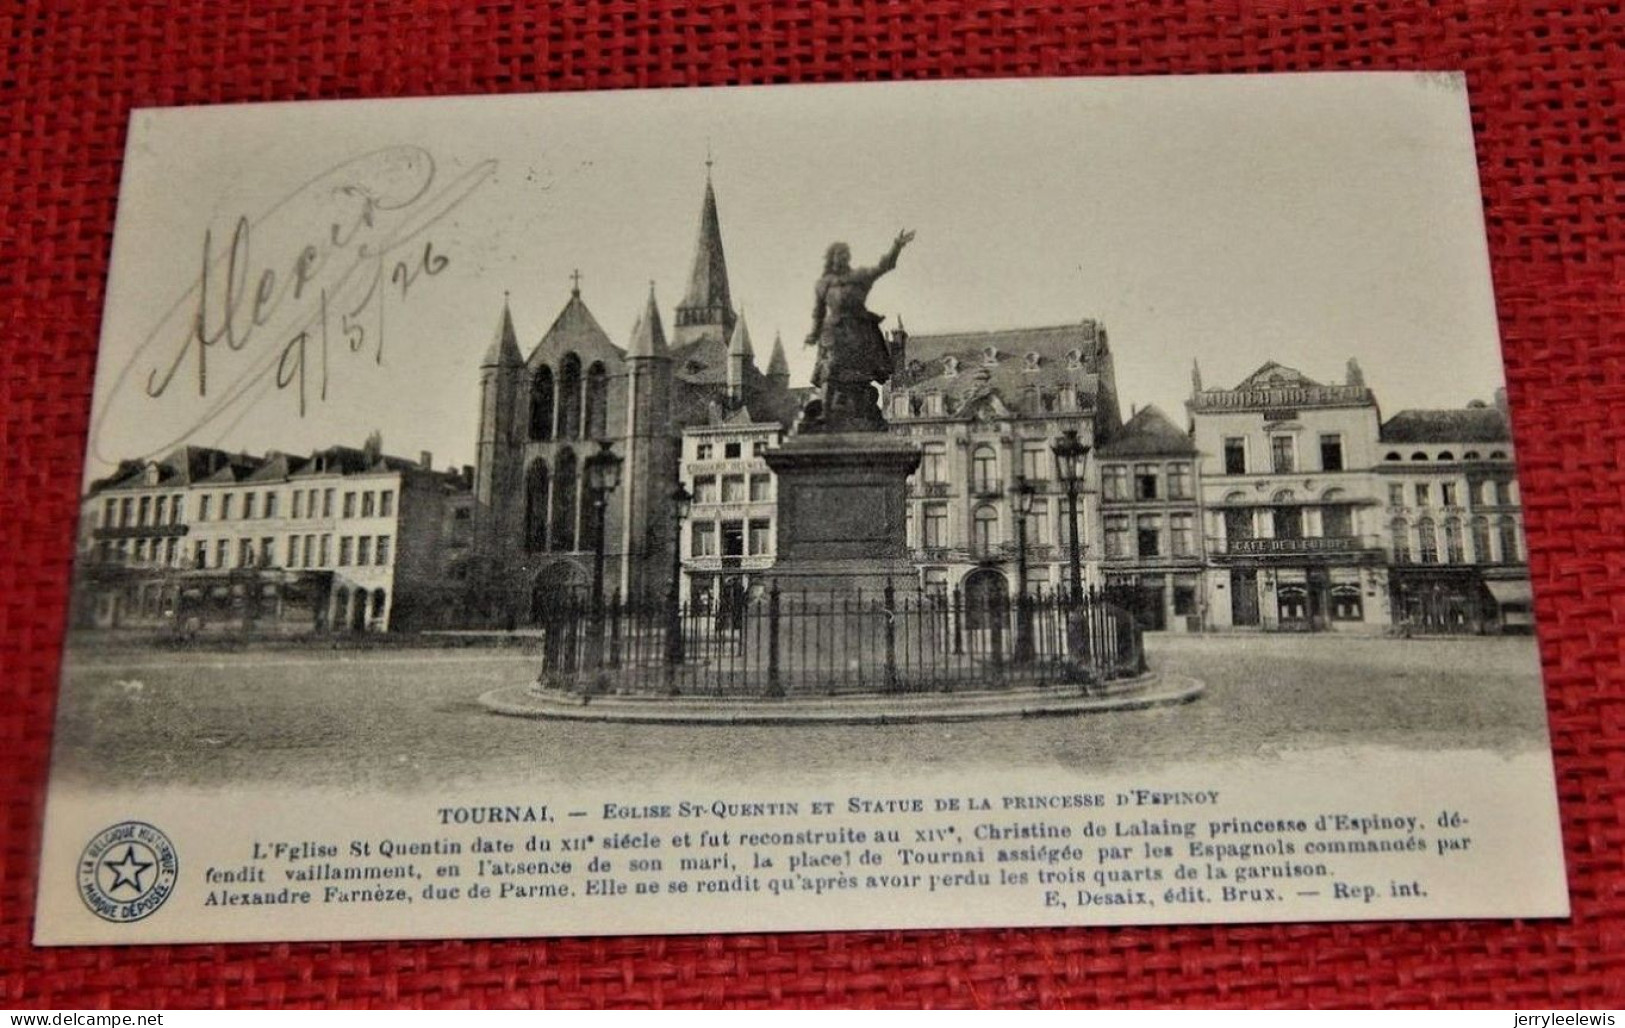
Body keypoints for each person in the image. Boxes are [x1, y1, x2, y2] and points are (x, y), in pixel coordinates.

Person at [802, 230, 915, 432]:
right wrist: (812, 333)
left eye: (846, 255)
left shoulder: (859, 276)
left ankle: (860, 412)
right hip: (833, 331)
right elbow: (818, 312)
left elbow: (884, 266)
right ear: (832, 258)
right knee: (829, 369)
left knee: (860, 374)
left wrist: (896, 246)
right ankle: (826, 415)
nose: (843, 258)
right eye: (839, 254)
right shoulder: (823, 284)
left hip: (858, 332)